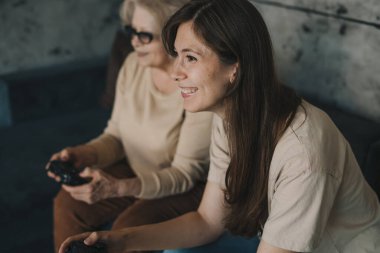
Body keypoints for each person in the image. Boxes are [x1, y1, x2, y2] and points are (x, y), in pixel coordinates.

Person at [59, 0, 380, 252]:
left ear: (235, 68)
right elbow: (207, 222)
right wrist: (119, 241)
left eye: (191, 58)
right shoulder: (229, 117)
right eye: (177, 56)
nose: (175, 73)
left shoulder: (304, 152)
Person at [48, 0, 213, 252]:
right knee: (68, 204)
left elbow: (185, 174)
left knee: (130, 227)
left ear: (175, 37)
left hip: (186, 187)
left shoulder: (197, 85)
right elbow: (116, 134)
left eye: (144, 35)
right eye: (131, 32)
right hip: (137, 170)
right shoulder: (133, 66)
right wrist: (85, 154)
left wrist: (117, 188)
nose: (134, 42)